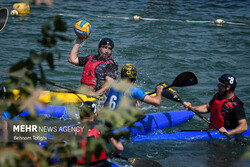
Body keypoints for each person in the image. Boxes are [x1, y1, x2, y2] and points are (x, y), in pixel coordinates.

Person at [183, 74, 248, 136]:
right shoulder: (218, 96)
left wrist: (228, 132)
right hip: (213, 130)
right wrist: (191, 108)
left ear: (228, 87)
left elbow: (244, 127)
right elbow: (207, 107)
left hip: (225, 137)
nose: (218, 85)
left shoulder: (236, 105)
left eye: (221, 84)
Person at [68, 101, 123, 166]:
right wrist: (115, 154)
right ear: (95, 114)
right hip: (101, 165)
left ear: (80, 113)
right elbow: (119, 148)